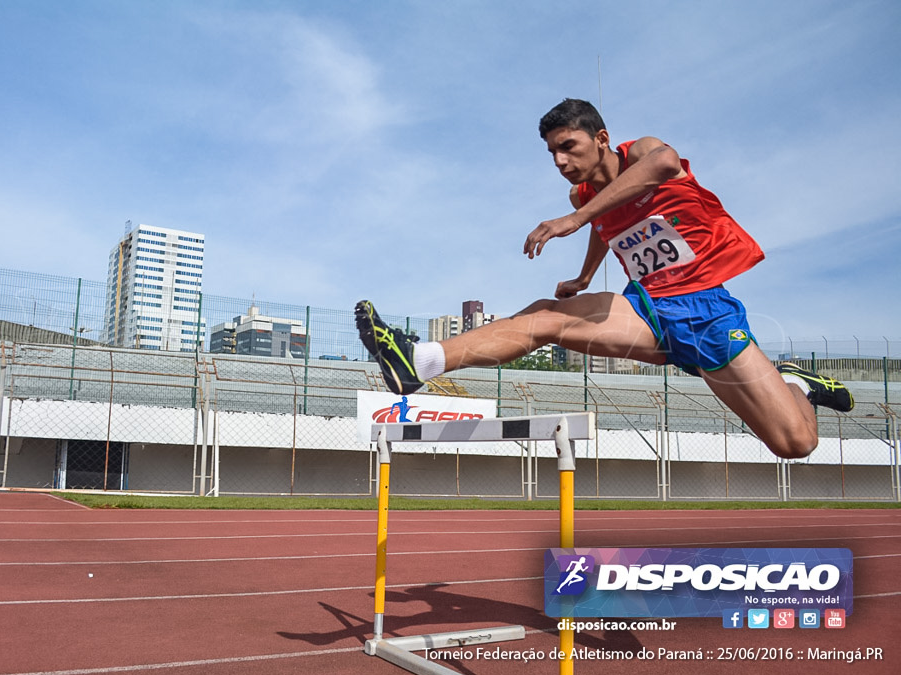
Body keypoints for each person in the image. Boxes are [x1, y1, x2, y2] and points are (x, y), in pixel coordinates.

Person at [356, 98, 852, 460]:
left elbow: (662, 166)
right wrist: (583, 274)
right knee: (546, 317)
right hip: (648, 308)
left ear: (601, 138)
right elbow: (605, 225)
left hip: (704, 307)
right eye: (552, 153)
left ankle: (796, 385)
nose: (560, 162)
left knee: (795, 444)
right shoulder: (586, 198)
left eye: (568, 147)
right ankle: (419, 361)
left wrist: (572, 221)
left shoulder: (644, 154)